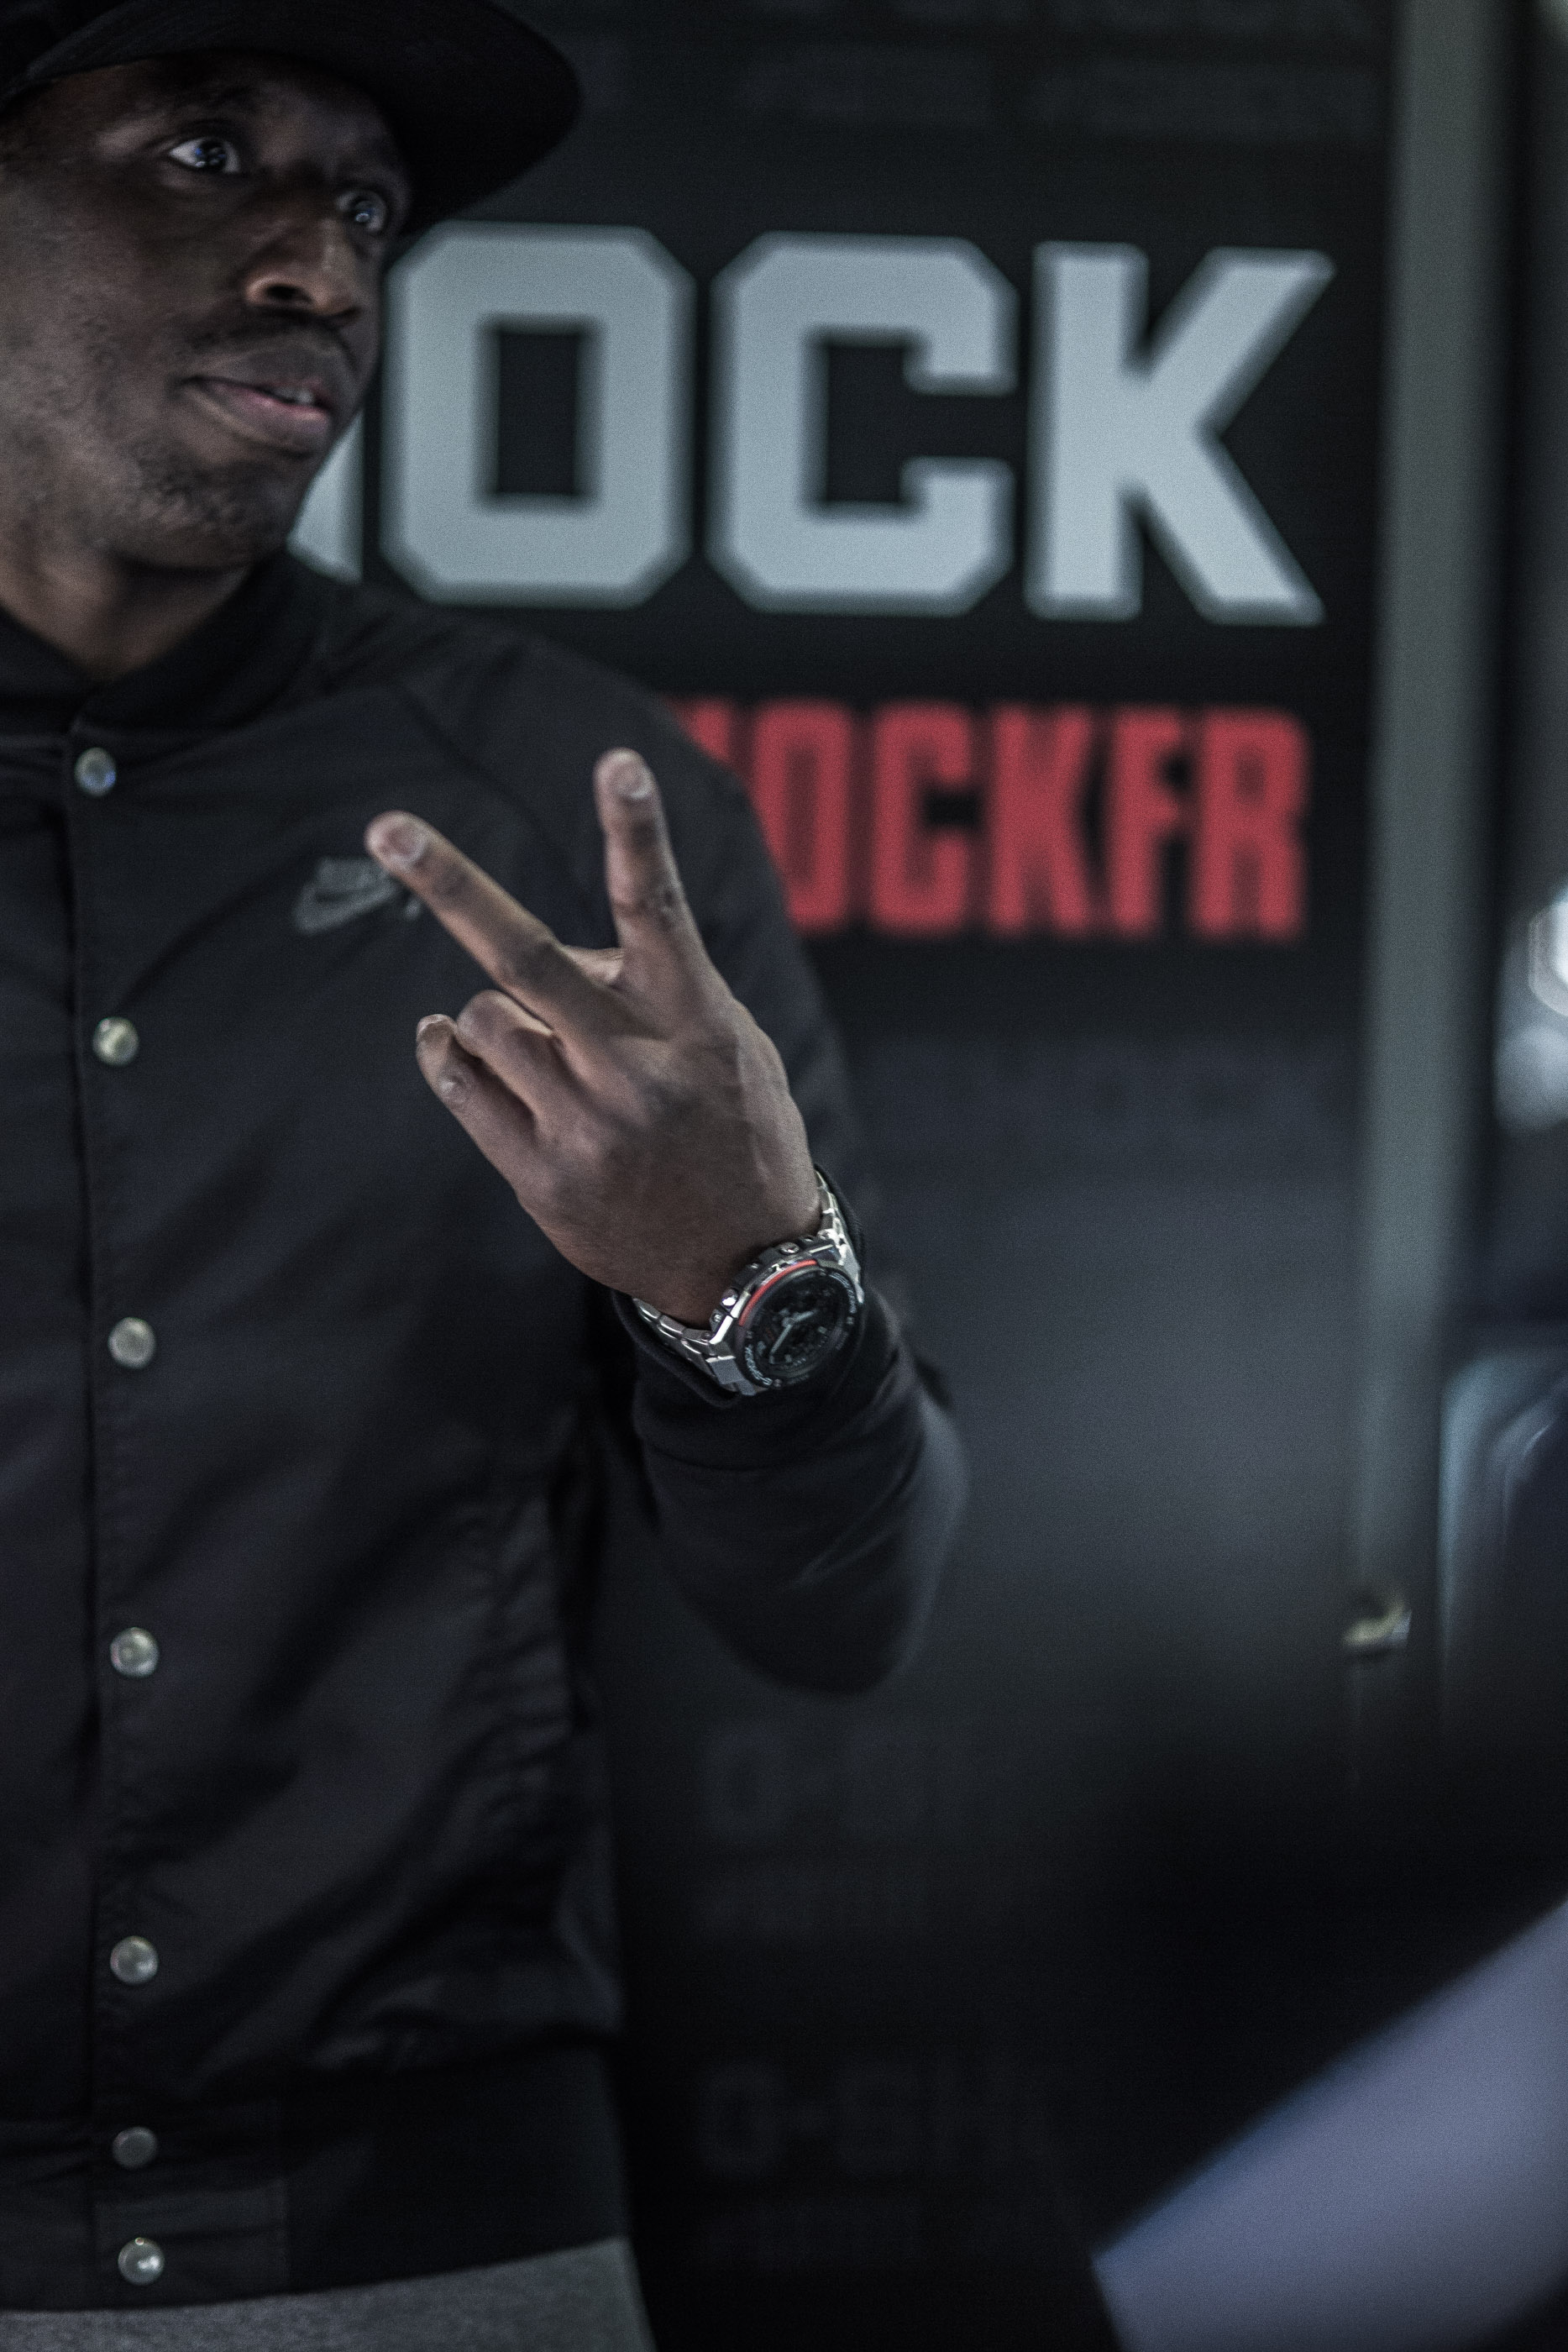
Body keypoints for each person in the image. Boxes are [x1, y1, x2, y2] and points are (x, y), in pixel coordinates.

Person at [0, 3, 967, 2340]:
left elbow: (850, 1612)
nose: (321, 266)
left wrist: (749, 1287)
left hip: (422, 2242)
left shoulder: (569, 819)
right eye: (208, 153)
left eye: (364, 206)